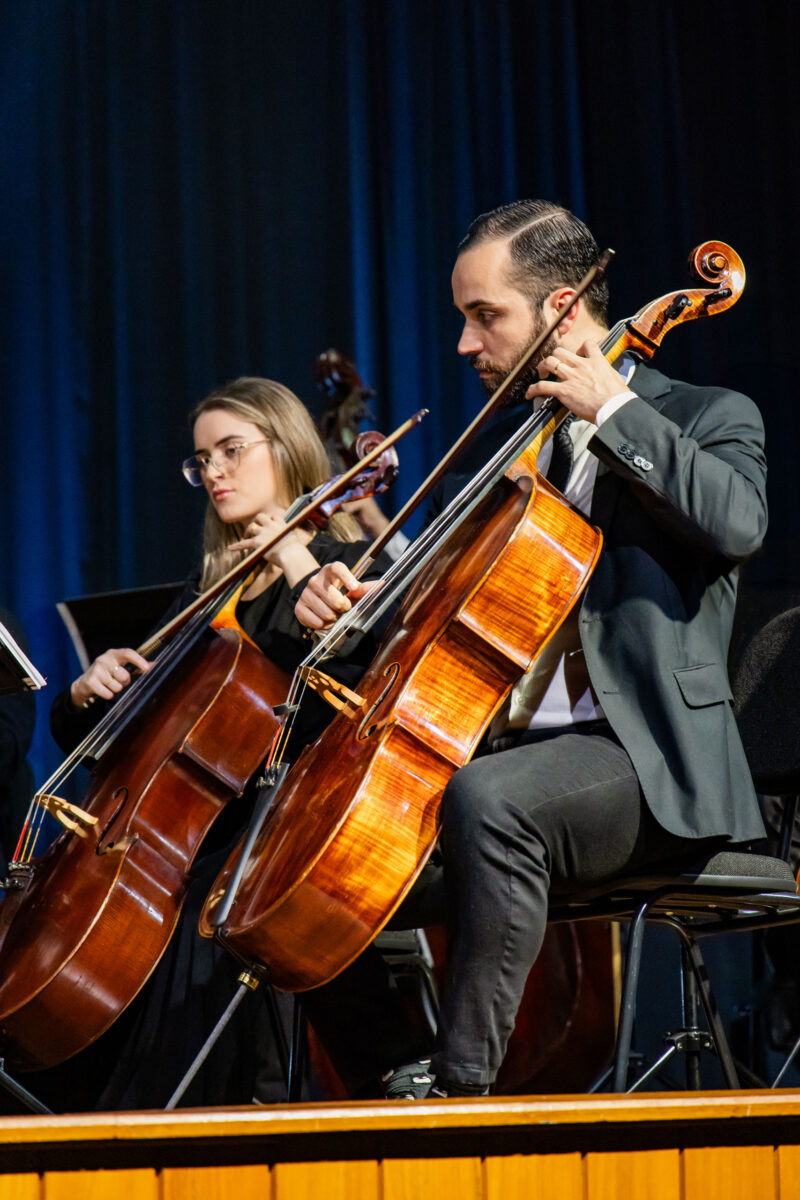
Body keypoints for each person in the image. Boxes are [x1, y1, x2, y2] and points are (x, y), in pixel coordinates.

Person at [295, 199, 769, 1098]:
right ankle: (389, 1073)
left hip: (646, 765)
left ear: (560, 309)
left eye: (485, 317)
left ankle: (460, 1088)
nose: (468, 345)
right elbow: (434, 622)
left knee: (492, 799)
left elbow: (738, 523)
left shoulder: (706, 415)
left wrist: (617, 409)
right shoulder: (514, 459)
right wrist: (348, 600)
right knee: (319, 855)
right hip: (520, 752)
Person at [44, 376, 399, 1110]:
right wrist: (87, 691)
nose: (214, 473)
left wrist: (299, 557)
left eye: (232, 451)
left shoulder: (349, 560)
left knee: (208, 906)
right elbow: (124, 738)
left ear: (288, 449)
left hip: (280, 833)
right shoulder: (212, 588)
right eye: (202, 459)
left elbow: (372, 677)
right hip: (182, 838)